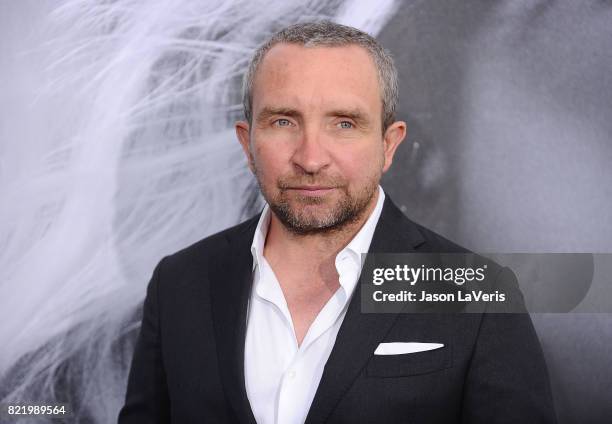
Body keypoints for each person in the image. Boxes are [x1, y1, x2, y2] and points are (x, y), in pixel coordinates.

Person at [118, 21, 556, 423]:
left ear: (389, 145)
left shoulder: (476, 294)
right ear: (247, 144)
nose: (310, 158)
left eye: (344, 123)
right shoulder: (179, 282)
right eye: (283, 121)